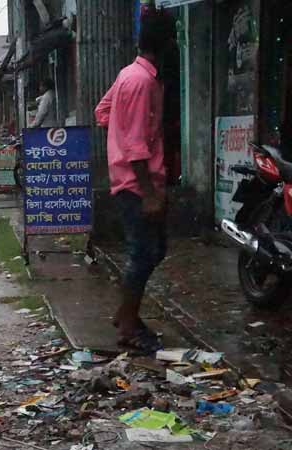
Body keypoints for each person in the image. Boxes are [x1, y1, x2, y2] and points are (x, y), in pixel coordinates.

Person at [94, 13, 175, 353]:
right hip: (136, 183)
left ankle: (125, 313)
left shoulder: (130, 74)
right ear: (166, 44)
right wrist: (148, 192)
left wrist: (121, 130)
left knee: (155, 250)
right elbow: (137, 144)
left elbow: (103, 112)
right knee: (143, 253)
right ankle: (127, 325)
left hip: (134, 178)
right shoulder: (140, 82)